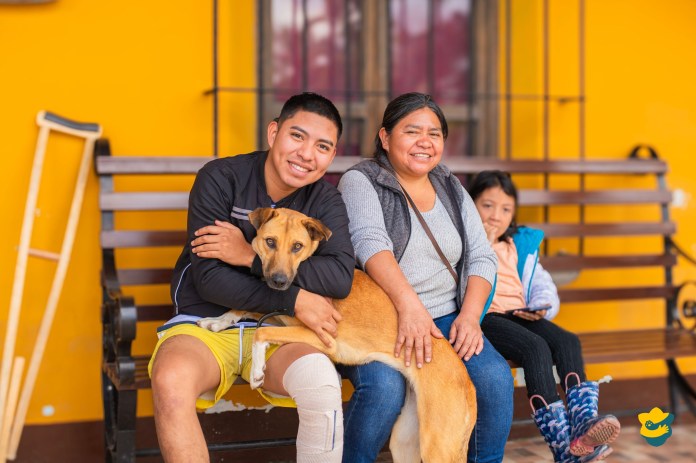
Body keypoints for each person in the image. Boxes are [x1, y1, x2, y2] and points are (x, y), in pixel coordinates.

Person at [148, 92, 356, 463]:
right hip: (206, 323)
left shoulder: (325, 202)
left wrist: (248, 256)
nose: (307, 154)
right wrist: (295, 297)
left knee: (322, 384)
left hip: (282, 330)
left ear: (332, 155)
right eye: (297, 136)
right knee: (170, 381)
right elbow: (209, 278)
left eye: (322, 146)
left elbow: (339, 278)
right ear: (273, 132)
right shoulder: (221, 178)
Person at [337, 92, 513, 463]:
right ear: (385, 138)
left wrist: (470, 316)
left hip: (447, 317)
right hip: (380, 316)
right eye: (412, 131)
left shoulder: (451, 186)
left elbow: (482, 255)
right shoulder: (360, 180)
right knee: (384, 389)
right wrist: (410, 308)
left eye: (434, 133)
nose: (425, 141)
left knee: (494, 379)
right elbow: (370, 243)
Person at [469, 170, 621, 463]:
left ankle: (582, 421)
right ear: (470, 204)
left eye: (505, 209)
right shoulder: (465, 243)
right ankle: (563, 446)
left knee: (567, 341)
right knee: (535, 348)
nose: (495, 216)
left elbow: (541, 282)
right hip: (487, 316)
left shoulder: (518, 245)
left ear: (513, 214)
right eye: (487, 206)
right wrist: (481, 245)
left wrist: (541, 304)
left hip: (522, 314)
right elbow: (466, 283)